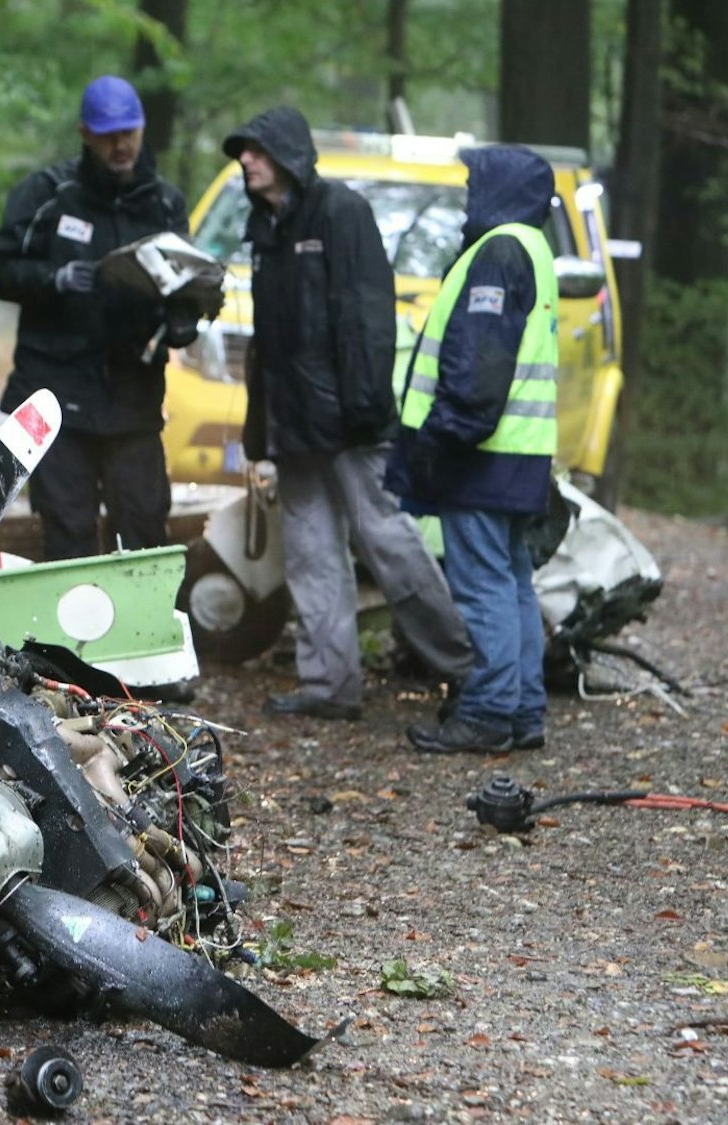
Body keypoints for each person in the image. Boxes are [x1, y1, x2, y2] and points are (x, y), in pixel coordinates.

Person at [221, 106, 472, 721]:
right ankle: (331, 683)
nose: (245, 161)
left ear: (287, 154)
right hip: (293, 424)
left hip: (348, 422)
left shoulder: (340, 212)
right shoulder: (267, 229)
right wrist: (262, 428)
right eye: (243, 152)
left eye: (255, 150)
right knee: (309, 553)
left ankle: (467, 669)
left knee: (388, 541)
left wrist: (363, 407)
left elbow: (366, 316)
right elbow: (270, 346)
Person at [385, 146, 560, 754]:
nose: (466, 193)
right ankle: (522, 711)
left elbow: (479, 363)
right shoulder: (529, 247)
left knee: (485, 585)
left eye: (472, 181)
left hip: (482, 453)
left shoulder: (498, 252)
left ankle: (488, 713)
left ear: (500, 188)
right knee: (512, 582)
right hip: (517, 455)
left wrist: (441, 437)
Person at [0, 76, 205, 560]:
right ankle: (71, 638)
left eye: (128, 132)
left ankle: (145, 634)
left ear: (143, 129)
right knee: (68, 533)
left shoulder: (165, 204)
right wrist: (56, 279)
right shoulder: (47, 195)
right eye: (108, 134)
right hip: (56, 398)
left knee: (144, 528)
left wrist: (183, 322)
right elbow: (2, 271)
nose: (120, 144)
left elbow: (184, 290)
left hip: (133, 400)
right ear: (85, 134)